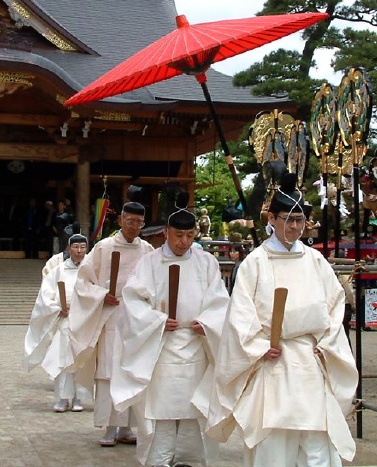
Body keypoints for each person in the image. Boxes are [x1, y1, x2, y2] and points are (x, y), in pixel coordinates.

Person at [203, 173, 358, 467]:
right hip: (272, 359)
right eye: (289, 219)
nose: (295, 227)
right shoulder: (255, 263)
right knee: (274, 441)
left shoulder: (315, 261)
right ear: (272, 219)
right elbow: (241, 316)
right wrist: (259, 347)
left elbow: (335, 306)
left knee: (317, 443)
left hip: (311, 359)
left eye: (300, 220)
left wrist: (326, 343)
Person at [110, 196, 230, 466]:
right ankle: (159, 459)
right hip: (161, 345)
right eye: (178, 235)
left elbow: (220, 300)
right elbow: (132, 300)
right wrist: (157, 321)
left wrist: (208, 322)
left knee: (192, 408)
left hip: (197, 343)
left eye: (190, 235)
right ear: (166, 232)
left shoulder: (207, 262)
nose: (184, 242)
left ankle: (191, 459)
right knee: (162, 408)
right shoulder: (150, 263)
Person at [68, 202, 154, 447]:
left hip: (136, 319)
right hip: (110, 316)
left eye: (139, 222)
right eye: (130, 221)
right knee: (108, 374)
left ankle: (126, 427)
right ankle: (109, 427)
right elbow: (83, 282)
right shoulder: (103, 248)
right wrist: (100, 295)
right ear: (120, 221)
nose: (134, 226)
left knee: (131, 371)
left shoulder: (147, 250)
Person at [24, 234, 90, 412]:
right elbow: (45, 295)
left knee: (81, 360)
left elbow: (97, 292)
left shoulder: (91, 270)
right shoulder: (59, 270)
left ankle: (78, 398)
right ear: (69, 249)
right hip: (65, 320)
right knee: (62, 359)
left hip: (84, 322)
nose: (79, 251)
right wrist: (57, 308)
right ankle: (62, 397)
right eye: (75, 247)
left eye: (82, 247)